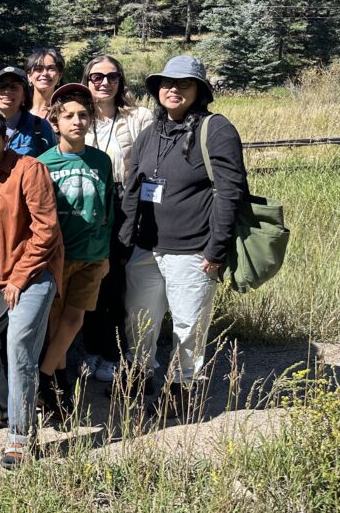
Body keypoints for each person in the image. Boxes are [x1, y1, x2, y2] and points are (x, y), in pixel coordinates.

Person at [119, 56, 246, 415]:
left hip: (193, 250)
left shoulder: (216, 130)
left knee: (189, 324)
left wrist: (216, 249)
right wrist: (127, 242)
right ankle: (140, 375)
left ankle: (181, 387)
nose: (173, 90)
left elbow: (230, 192)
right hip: (146, 248)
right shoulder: (150, 133)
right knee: (140, 319)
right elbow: (133, 188)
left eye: (183, 84)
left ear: (199, 91)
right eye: (166, 83)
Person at [0, 110, 62, 468]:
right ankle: (0, 407)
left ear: (5, 139)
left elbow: (45, 232)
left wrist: (19, 279)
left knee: (19, 345)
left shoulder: (29, 170)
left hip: (34, 275)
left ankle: (21, 435)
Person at [37, 85, 114, 419]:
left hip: (92, 254)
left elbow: (108, 207)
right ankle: (59, 391)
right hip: (57, 256)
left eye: (83, 115)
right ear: (55, 122)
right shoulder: (42, 163)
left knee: (74, 320)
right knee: (54, 326)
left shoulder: (101, 161)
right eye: (68, 116)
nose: (77, 121)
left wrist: (107, 252)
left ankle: (41, 380)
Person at [80, 55, 155, 383]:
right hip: (89, 207)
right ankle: (91, 351)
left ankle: (122, 352)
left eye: (111, 77)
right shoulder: (79, 117)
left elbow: (149, 165)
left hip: (127, 203)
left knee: (120, 282)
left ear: (120, 81)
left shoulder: (139, 117)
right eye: (96, 77)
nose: (104, 83)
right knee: (92, 281)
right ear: (87, 81)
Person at [0, 66, 56, 157]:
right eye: (1, 86)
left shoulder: (39, 126)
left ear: (24, 95)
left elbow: (51, 162)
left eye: (14, 87)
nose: (7, 91)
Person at [26, 47, 65, 120]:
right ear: (29, 76)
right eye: (38, 69)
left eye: (51, 68)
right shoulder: (19, 112)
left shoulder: (65, 112)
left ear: (59, 76)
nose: (45, 73)